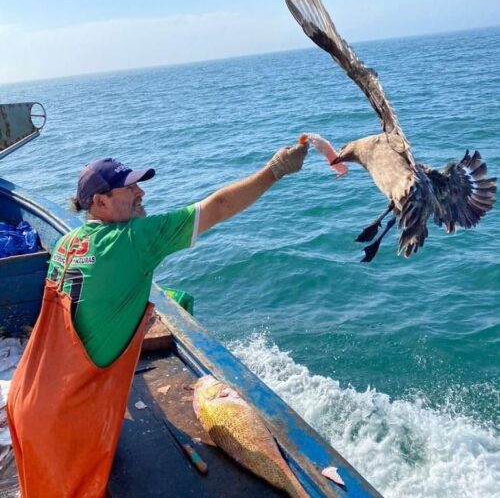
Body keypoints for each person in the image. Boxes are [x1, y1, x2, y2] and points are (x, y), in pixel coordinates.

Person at [7, 141, 308, 498]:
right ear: (99, 203)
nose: (141, 192)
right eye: (129, 188)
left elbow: (81, 309)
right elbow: (219, 207)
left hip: (29, 397)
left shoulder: (69, 242)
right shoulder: (133, 240)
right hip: (64, 421)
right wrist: (275, 169)